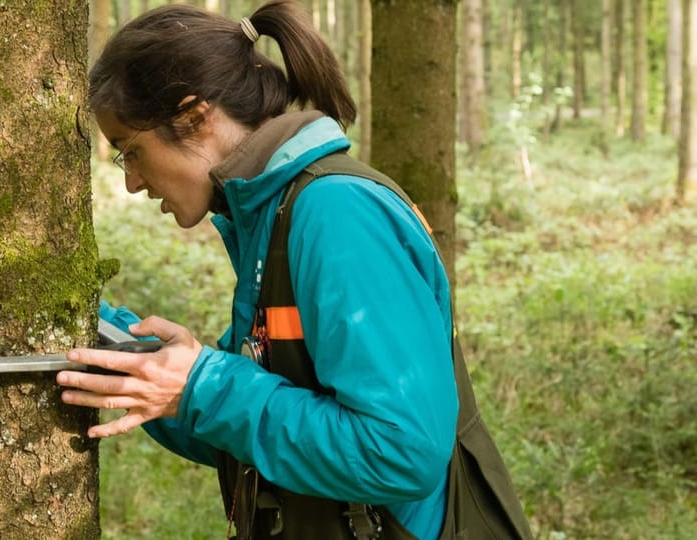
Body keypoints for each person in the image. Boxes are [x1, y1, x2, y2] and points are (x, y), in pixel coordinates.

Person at [55, 1, 460, 538]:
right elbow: (260, 425)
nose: (131, 181)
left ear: (194, 116)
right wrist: (140, 367)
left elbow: (401, 451)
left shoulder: (336, 215)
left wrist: (202, 386)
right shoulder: (270, 217)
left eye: (130, 151)